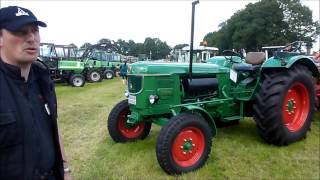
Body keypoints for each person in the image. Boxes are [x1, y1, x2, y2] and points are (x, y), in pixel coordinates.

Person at [0, 6, 71, 180]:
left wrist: (66, 170)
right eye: (20, 32)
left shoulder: (43, 78)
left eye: (35, 31)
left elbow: (54, 128)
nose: (31, 38)